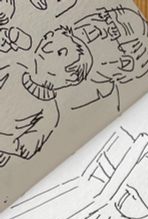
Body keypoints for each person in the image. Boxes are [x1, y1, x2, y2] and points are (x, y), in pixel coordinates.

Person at [0, 26, 92, 166]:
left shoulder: (50, 114)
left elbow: (25, 148)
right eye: (48, 39)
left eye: (60, 53)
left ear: (71, 77)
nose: (47, 47)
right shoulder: (14, 69)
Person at [71, 6, 148, 111]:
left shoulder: (99, 106)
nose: (93, 27)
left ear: (124, 64)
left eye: (112, 33)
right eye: (102, 17)